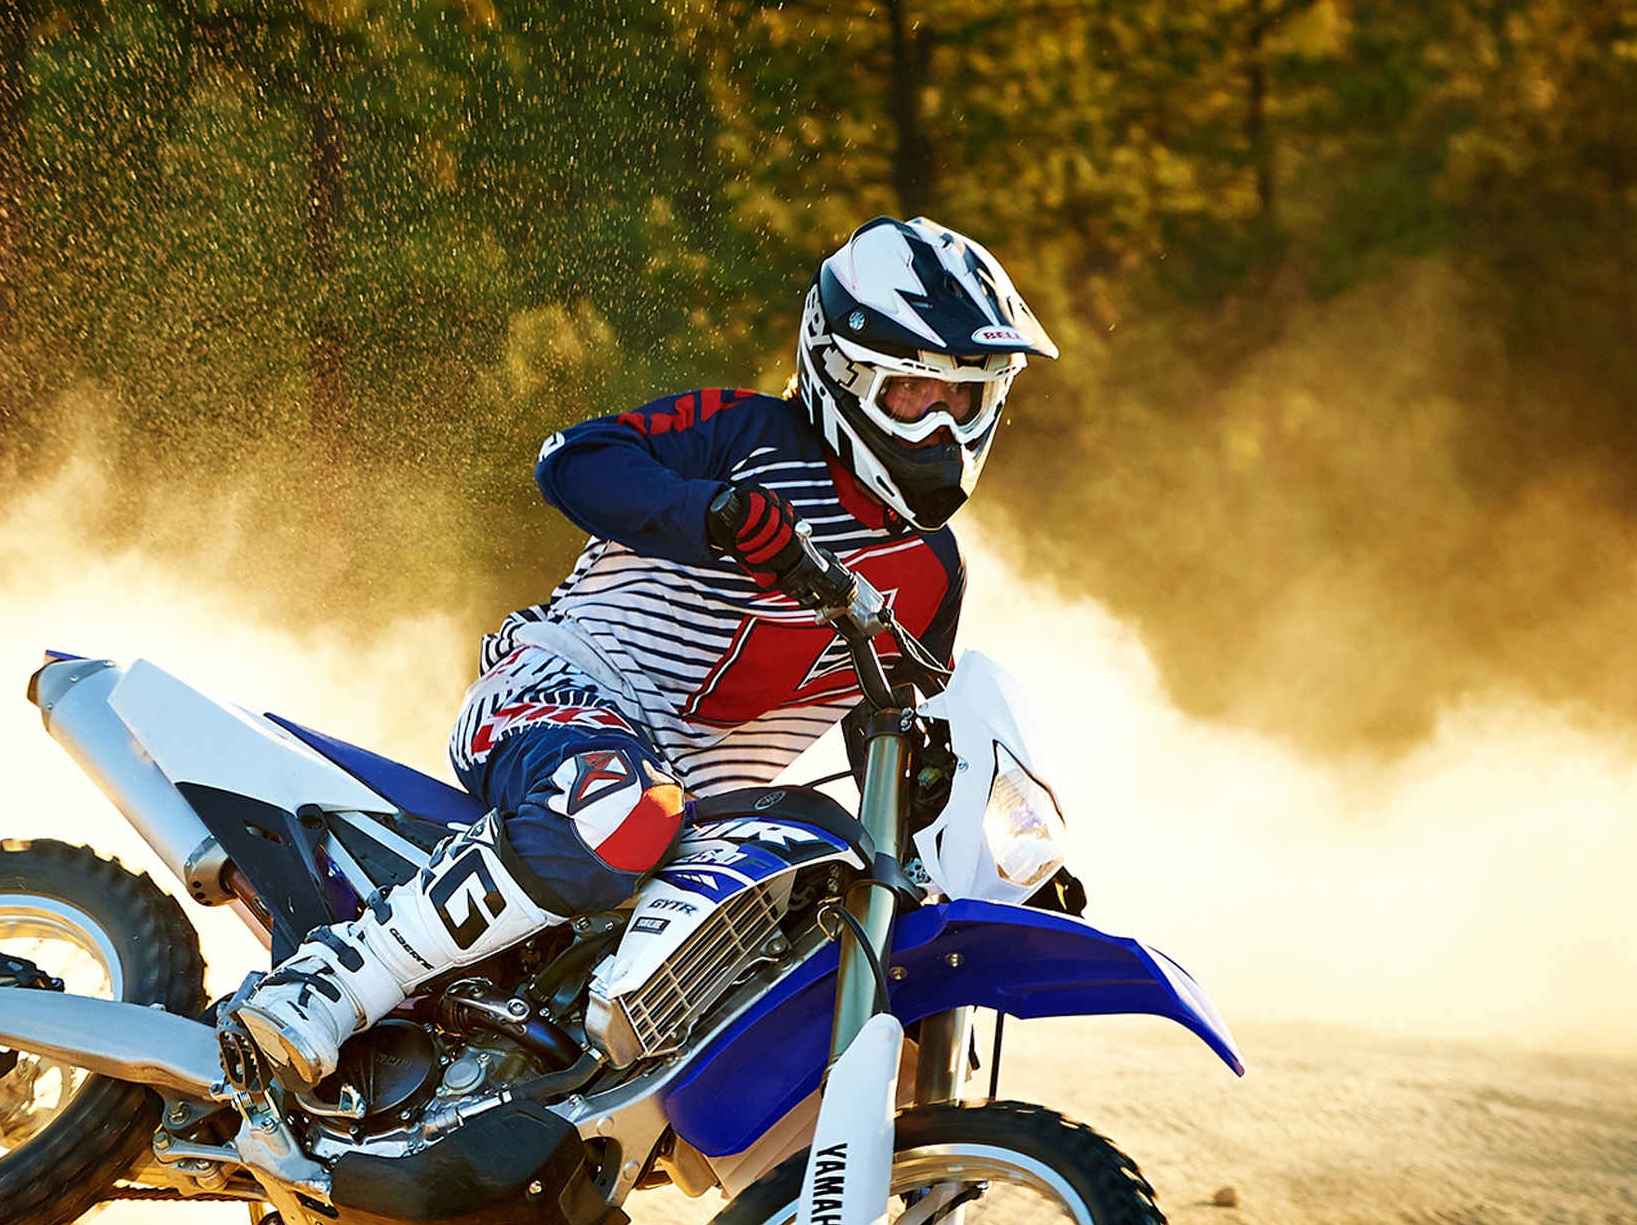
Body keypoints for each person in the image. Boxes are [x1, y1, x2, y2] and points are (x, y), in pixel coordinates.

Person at [224, 216, 1057, 1085]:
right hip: (562, 699)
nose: (944, 432)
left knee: (861, 942)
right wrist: (715, 517)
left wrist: (990, 862)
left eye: (968, 401)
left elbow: (896, 731)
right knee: (623, 810)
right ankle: (339, 978)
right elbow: (574, 461)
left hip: (711, 824)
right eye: (917, 396)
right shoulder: (746, 435)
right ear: (841, 373)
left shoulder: (933, 573)